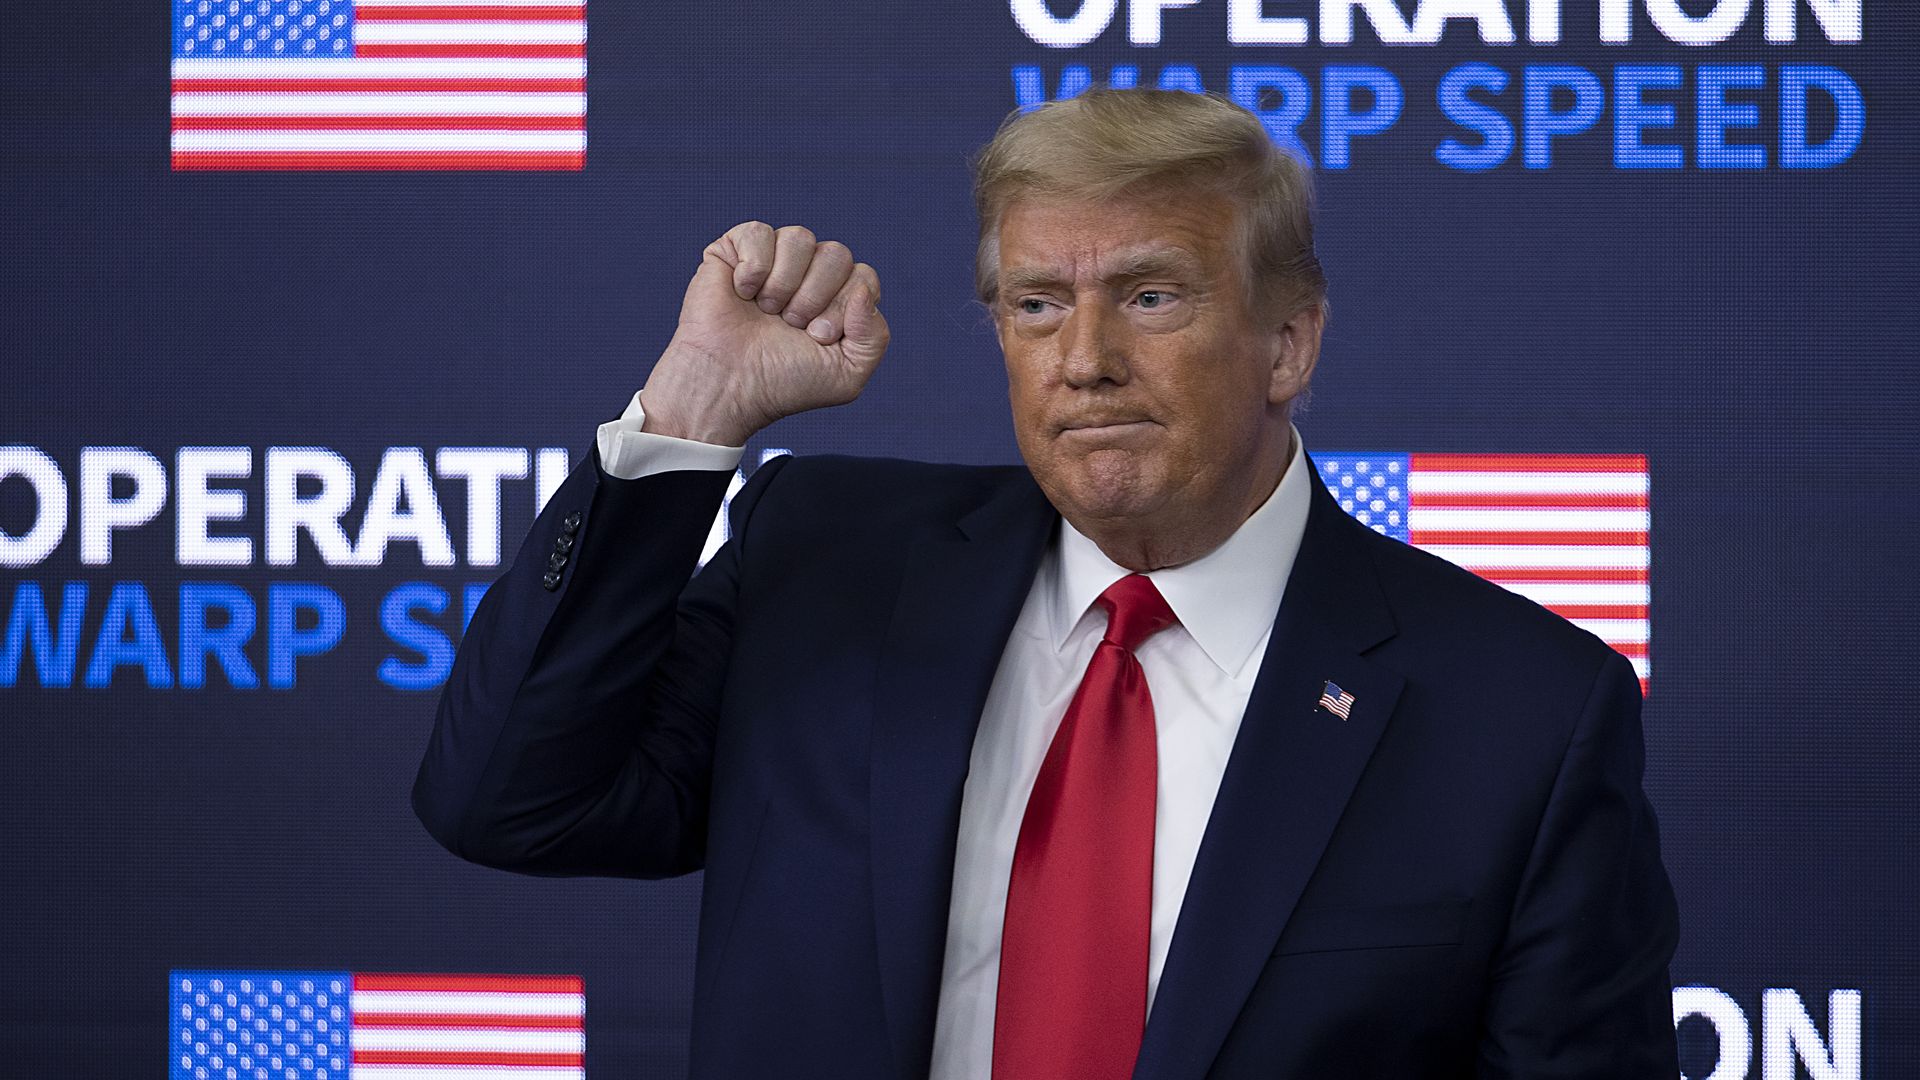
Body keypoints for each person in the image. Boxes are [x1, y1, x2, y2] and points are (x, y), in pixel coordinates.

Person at [412, 88, 1679, 1079]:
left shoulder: (1520, 712)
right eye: (1034, 303)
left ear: (1289, 339)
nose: (1085, 360)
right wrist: (690, 416)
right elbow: (507, 804)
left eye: (1150, 295)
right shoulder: (828, 564)